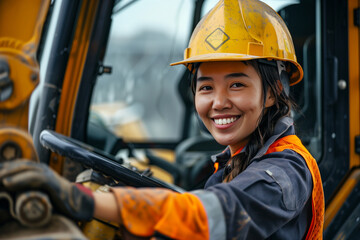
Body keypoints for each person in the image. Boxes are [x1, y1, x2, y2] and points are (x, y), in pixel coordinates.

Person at [0, 0, 324, 239]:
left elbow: (212, 215)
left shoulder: (282, 174)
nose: (219, 102)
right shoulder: (238, 160)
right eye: (206, 87)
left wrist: (87, 200)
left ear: (272, 93)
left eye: (237, 84)